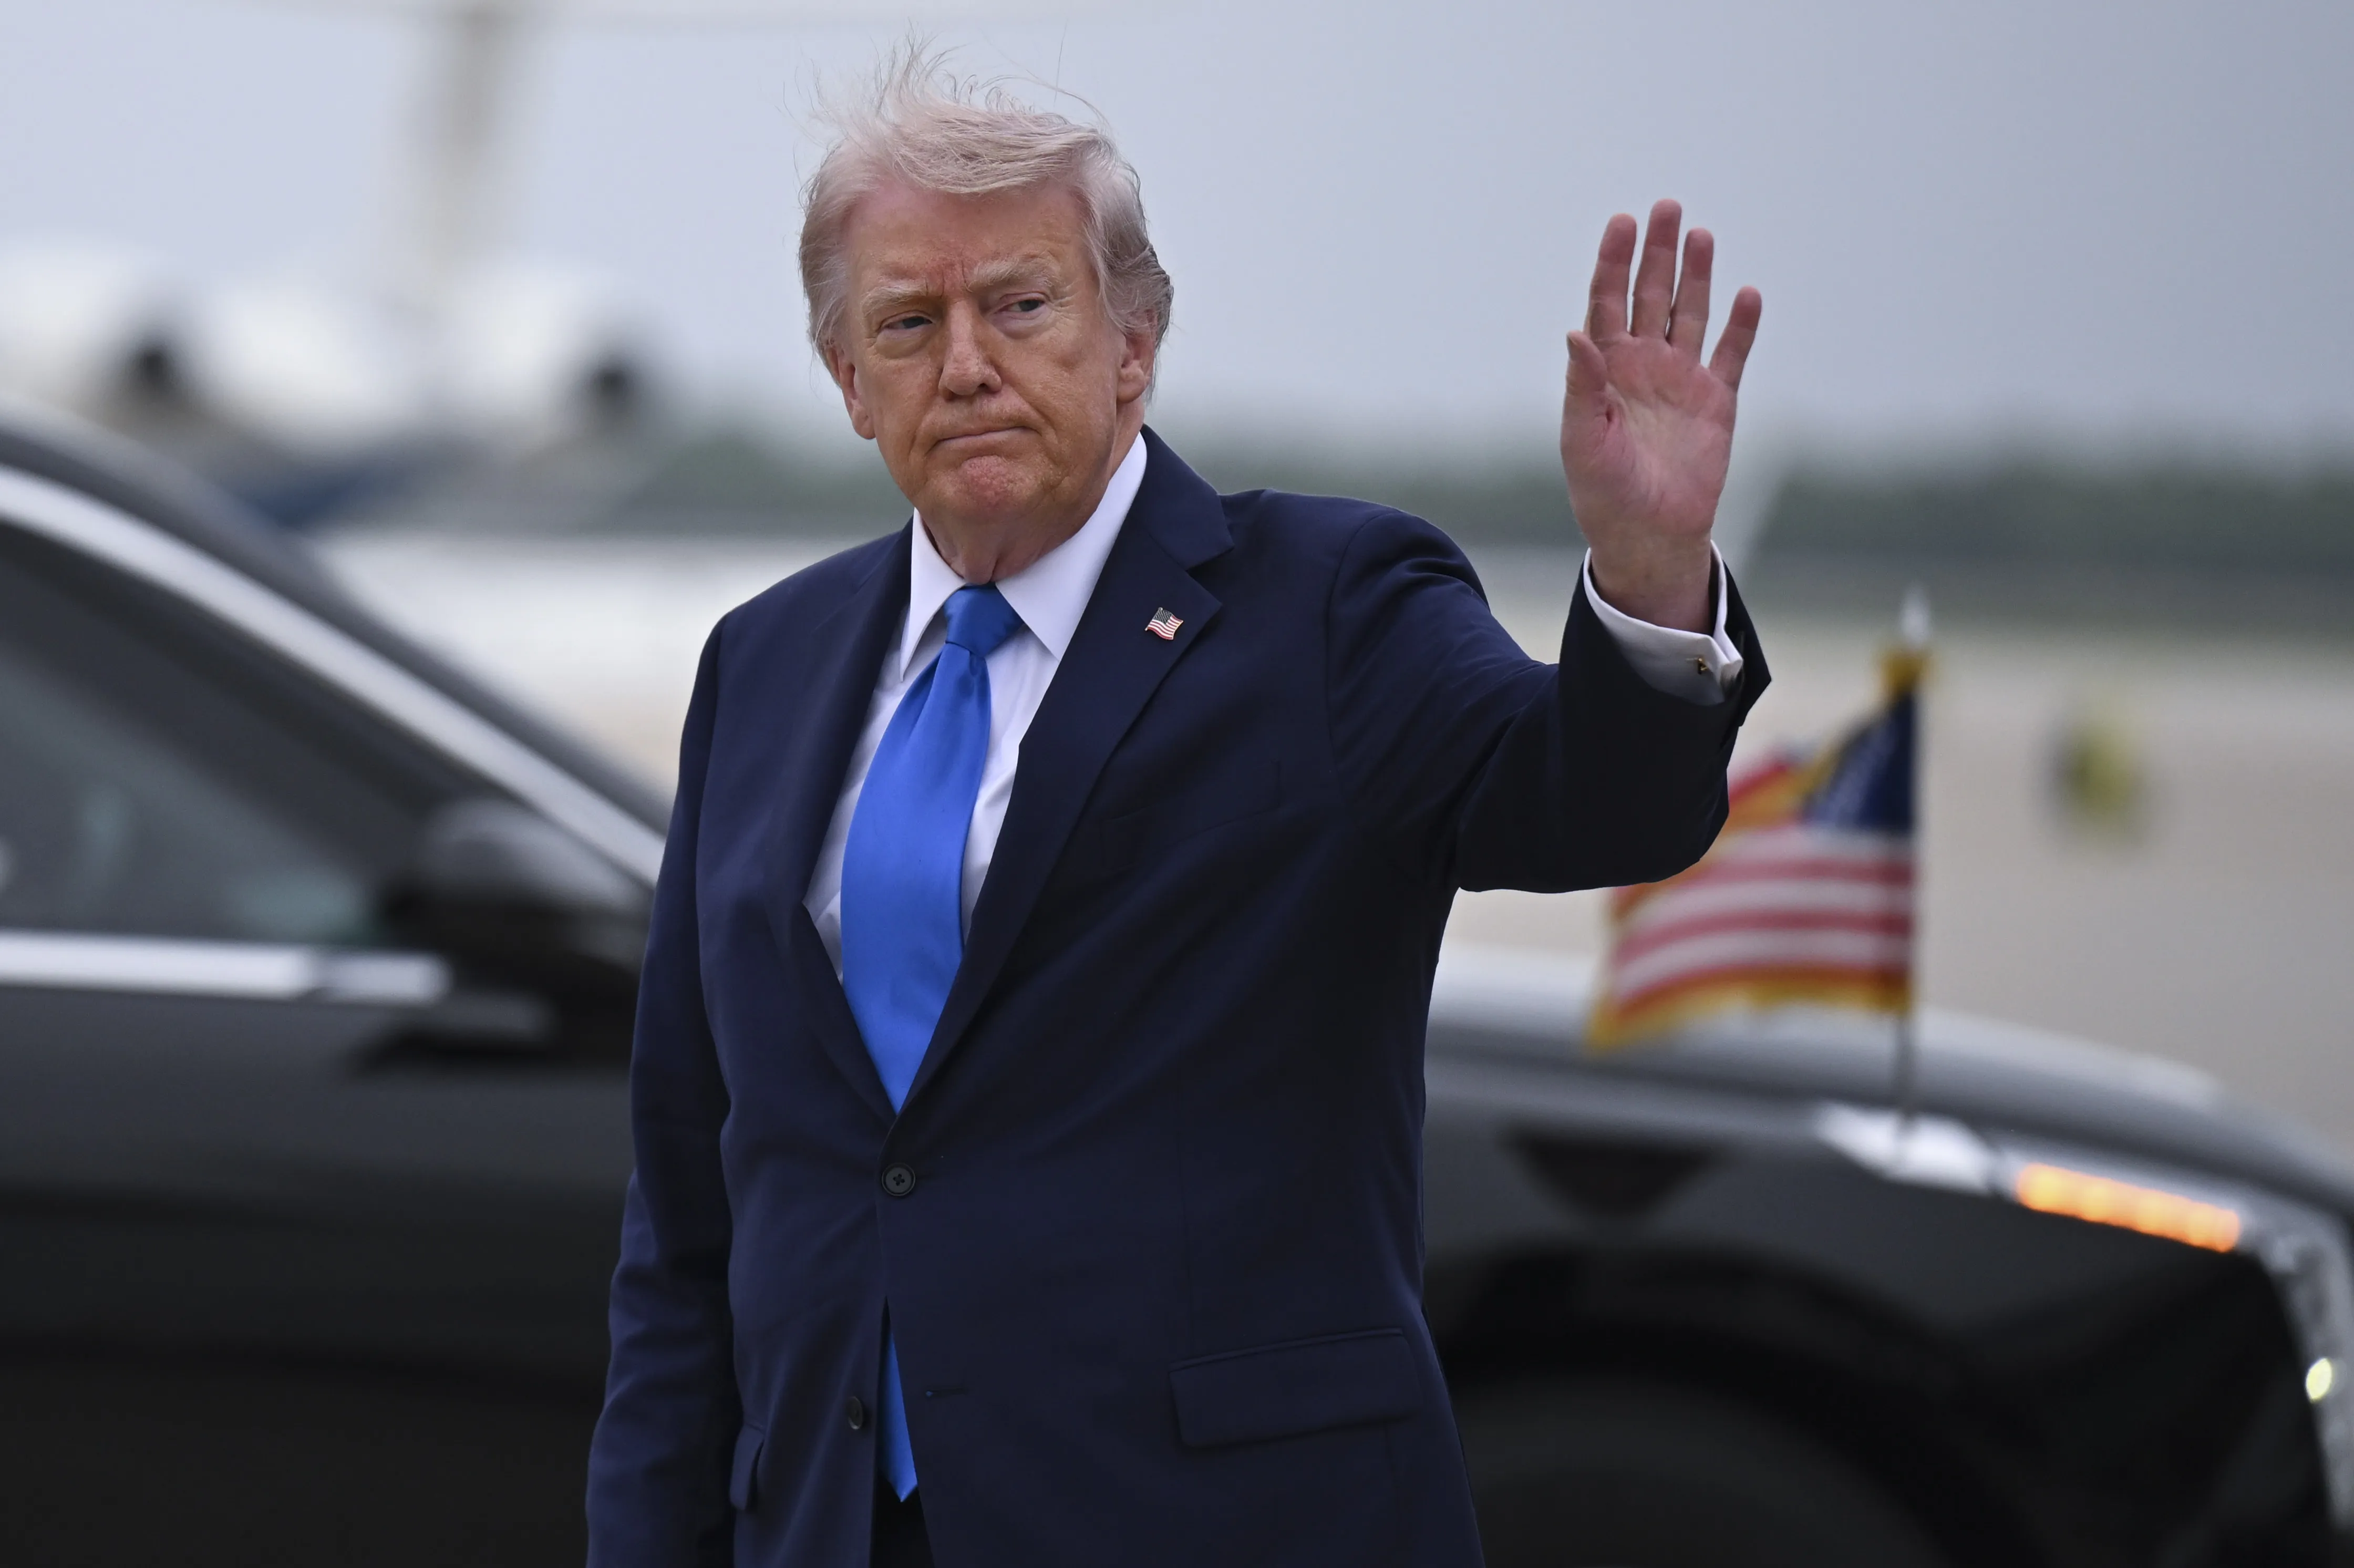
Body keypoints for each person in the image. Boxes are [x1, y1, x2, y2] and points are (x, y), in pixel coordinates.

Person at [586, 54, 1769, 1568]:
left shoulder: (1331, 609)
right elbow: (688, 1217)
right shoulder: (765, 664)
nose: (966, 364)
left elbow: (1590, 807)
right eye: (908, 323)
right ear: (846, 378)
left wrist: (1651, 577)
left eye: (1021, 305)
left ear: (1134, 341)